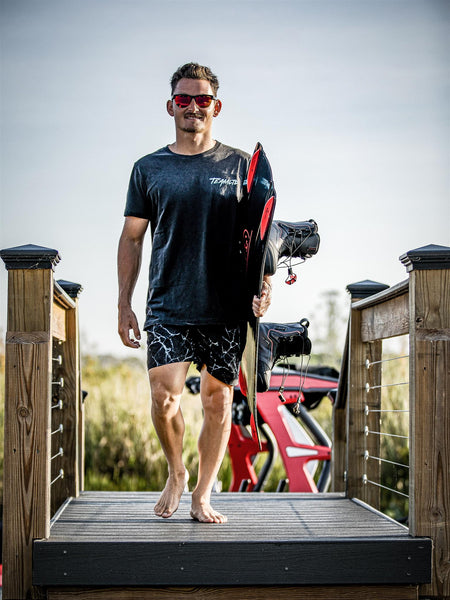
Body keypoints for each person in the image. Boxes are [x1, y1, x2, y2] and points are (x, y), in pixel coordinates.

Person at [117, 62, 271, 524]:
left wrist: (263, 289)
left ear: (215, 106)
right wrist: (123, 303)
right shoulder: (148, 169)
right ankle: (176, 471)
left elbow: (263, 238)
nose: (192, 107)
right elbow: (131, 237)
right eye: (183, 99)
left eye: (202, 99)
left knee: (217, 401)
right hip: (168, 302)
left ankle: (203, 494)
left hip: (225, 306)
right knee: (163, 396)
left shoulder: (243, 165)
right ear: (171, 106)